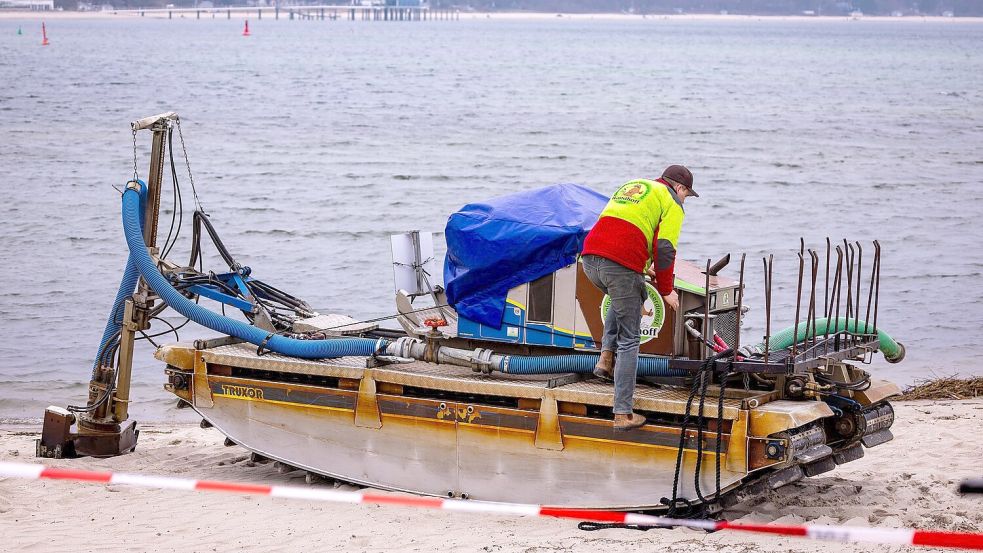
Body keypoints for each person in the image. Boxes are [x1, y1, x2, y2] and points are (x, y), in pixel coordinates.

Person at [580, 165, 698, 431]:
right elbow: (665, 248)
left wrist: (643, 267)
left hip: (589, 260)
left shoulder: (635, 186)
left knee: (626, 297)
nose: (684, 201)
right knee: (631, 340)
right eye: (686, 196)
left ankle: (605, 357)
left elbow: (622, 233)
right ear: (680, 188)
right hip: (618, 268)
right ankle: (623, 413)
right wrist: (666, 290)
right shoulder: (671, 202)